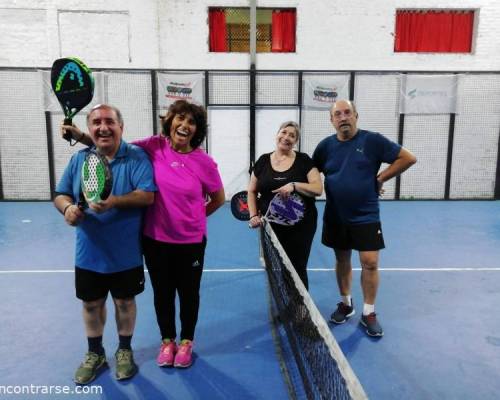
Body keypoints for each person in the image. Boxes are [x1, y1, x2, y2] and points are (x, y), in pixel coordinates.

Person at [63, 100, 225, 369]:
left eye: (191, 122)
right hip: (155, 240)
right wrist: (80, 135)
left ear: (197, 130)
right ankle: (167, 341)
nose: (184, 125)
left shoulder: (204, 162)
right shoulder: (154, 146)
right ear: (170, 121)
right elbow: (115, 146)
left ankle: (186, 342)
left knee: (188, 294)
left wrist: (195, 218)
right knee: (162, 294)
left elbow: (218, 198)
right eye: (180, 119)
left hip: (191, 242)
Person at [54, 104, 156, 384]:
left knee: (125, 301)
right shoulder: (79, 160)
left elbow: (147, 195)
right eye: (96, 122)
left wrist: (114, 202)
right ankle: (95, 353)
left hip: (126, 254)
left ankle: (124, 351)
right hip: (89, 253)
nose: (103, 127)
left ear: (121, 127)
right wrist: (67, 209)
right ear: (89, 129)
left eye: (109, 121)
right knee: (91, 304)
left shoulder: (136, 158)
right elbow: (60, 193)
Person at [312, 99, 417, 337]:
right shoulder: (324, 147)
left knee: (370, 262)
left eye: (347, 112)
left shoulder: (373, 140)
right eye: (337, 114)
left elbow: (408, 158)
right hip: (335, 216)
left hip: (366, 215)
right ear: (331, 120)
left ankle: (369, 312)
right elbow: (311, 171)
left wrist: (381, 178)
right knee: (342, 259)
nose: (343, 117)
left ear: (356, 115)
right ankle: (346, 304)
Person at [247, 121, 322, 289]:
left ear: (296, 141)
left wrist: (295, 185)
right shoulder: (263, 161)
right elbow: (251, 190)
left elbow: (318, 188)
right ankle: (289, 305)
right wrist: (253, 215)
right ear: (277, 134)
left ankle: (301, 312)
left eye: (292, 135)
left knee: (297, 267)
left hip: (301, 226)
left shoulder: (304, 160)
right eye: (284, 132)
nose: (286, 137)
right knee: (280, 266)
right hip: (272, 226)